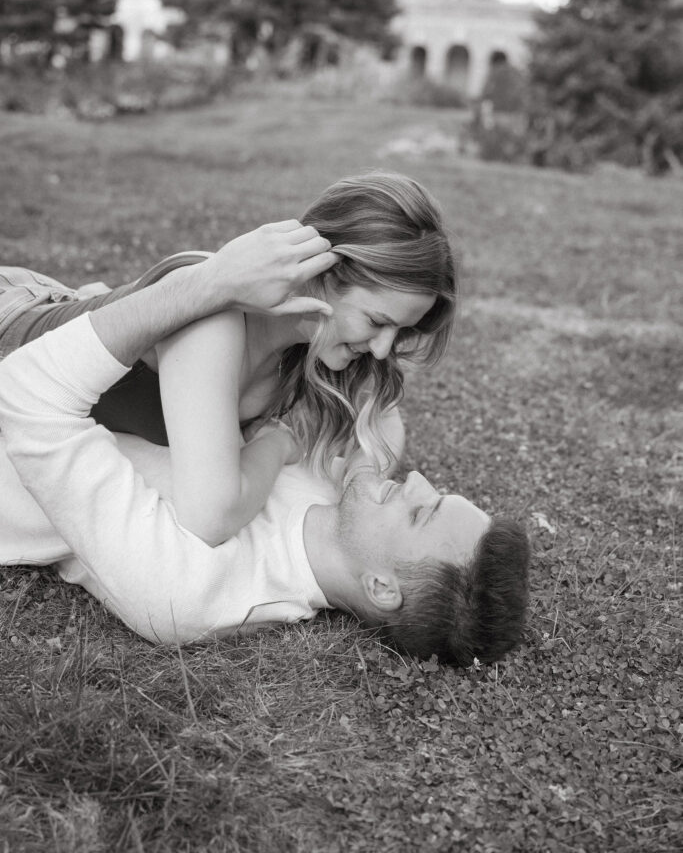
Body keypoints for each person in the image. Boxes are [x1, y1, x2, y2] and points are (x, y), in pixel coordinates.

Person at [0, 230, 529, 665]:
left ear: (382, 588)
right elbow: (382, 416)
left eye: (422, 512)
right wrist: (363, 469)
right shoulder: (338, 496)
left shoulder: (188, 591)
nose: (415, 481)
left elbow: (25, 395)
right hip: (52, 302)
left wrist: (208, 286)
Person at [0, 172, 456, 547]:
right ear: (324, 274)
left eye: (402, 329)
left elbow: (387, 419)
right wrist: (278, 442)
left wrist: (360, 489)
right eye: (377, 321)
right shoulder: (214, 321)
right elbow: (211, 517)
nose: (382, 348)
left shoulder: (321, 346)